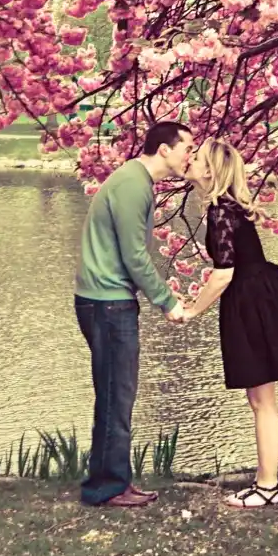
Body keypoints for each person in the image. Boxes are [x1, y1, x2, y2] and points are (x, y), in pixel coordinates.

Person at [72, 120, 197, 507]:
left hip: (108, 301)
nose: (189, 156)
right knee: (115, 395)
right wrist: (167, 300)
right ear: (164, 149)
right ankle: (106, 487)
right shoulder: (132, 184)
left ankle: (113, 482)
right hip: (107, 303)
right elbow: (134, 255)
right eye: (186, 149)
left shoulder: (136, 181)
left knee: (116, 394)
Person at [179, 137, 278, 507]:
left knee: (263, 401)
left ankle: (267, 487)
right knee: (259, 400)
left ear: (210, 170)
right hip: (255, 297)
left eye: (197, 157)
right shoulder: (226, 208)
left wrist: (192, 310)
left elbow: (222, 274)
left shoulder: (221, 210)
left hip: (252, 302)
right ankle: (264, 483)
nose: (190, 160)